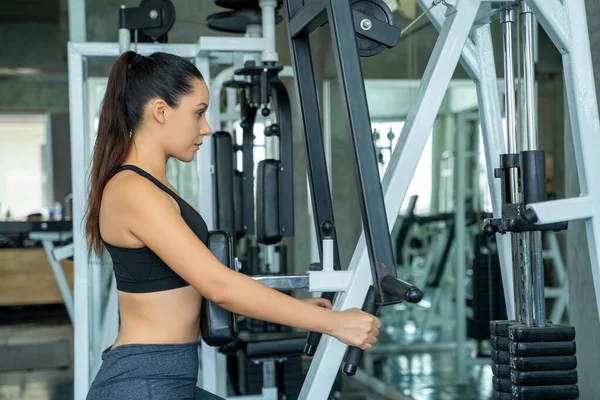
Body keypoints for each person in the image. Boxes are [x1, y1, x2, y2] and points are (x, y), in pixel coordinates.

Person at [84, 51, 381, 400]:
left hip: (166, 380)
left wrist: (298, 310)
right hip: (144, 383)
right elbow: (218, 285)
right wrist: (335, 324)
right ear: (161, 111)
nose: (206, 128)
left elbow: (201, 279)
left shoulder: (150, 187)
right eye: (198, 113)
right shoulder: (134, 190)